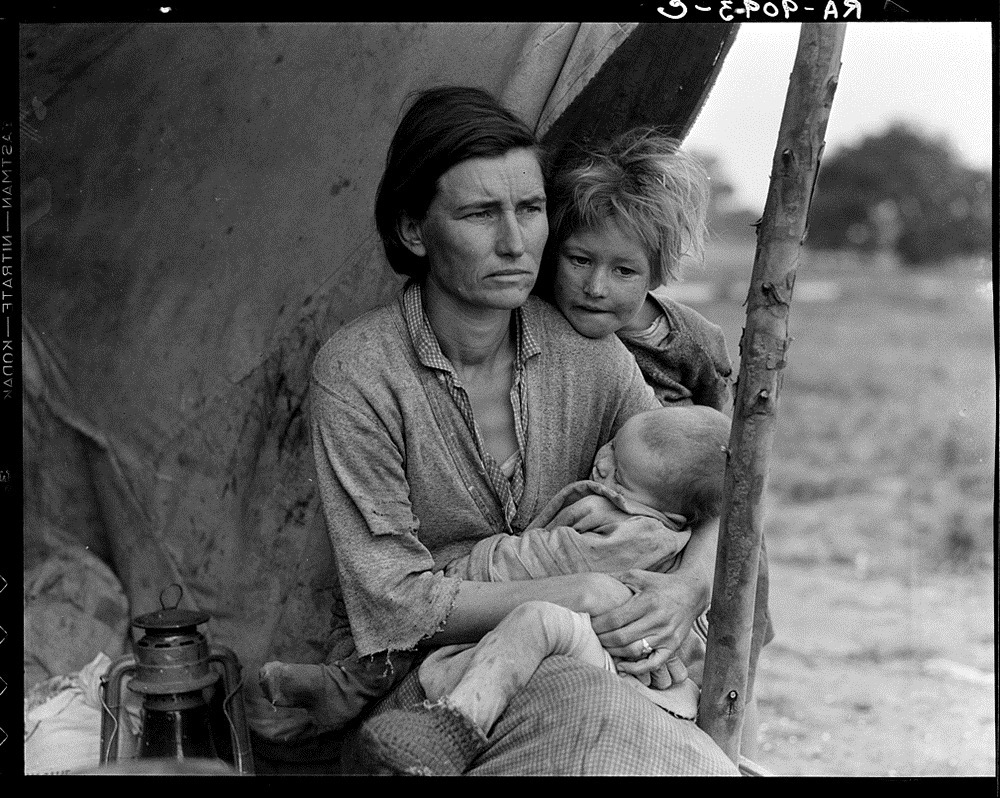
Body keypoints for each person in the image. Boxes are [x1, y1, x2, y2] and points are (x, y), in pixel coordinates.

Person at [253, 85, 738, 776]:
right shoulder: (360, 372)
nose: (516, 243)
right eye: (482, 213)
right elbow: (393, 600)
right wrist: (567, 593)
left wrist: (689, 586)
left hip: (595, 656)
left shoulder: (591, 355)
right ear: (414, 230)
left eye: (531, 210)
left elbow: (705, 485)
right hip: (438, 683)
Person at [354, 404, 732, 775]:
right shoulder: (660, 505)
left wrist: (472, 567)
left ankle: (454, 727)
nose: (602, 464)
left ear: (675, 514)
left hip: (624, 665)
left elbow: (540, 561)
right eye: (613, 446)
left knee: (537, 622)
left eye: (620, 478)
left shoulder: (632, 534)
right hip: (649, 668)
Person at [538, 128, 733, 411]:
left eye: (624, 271)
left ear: (656, 274)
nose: (595, 288)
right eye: (580, 260)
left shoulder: (694, 339)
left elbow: (719, 419)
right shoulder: (538, 319)